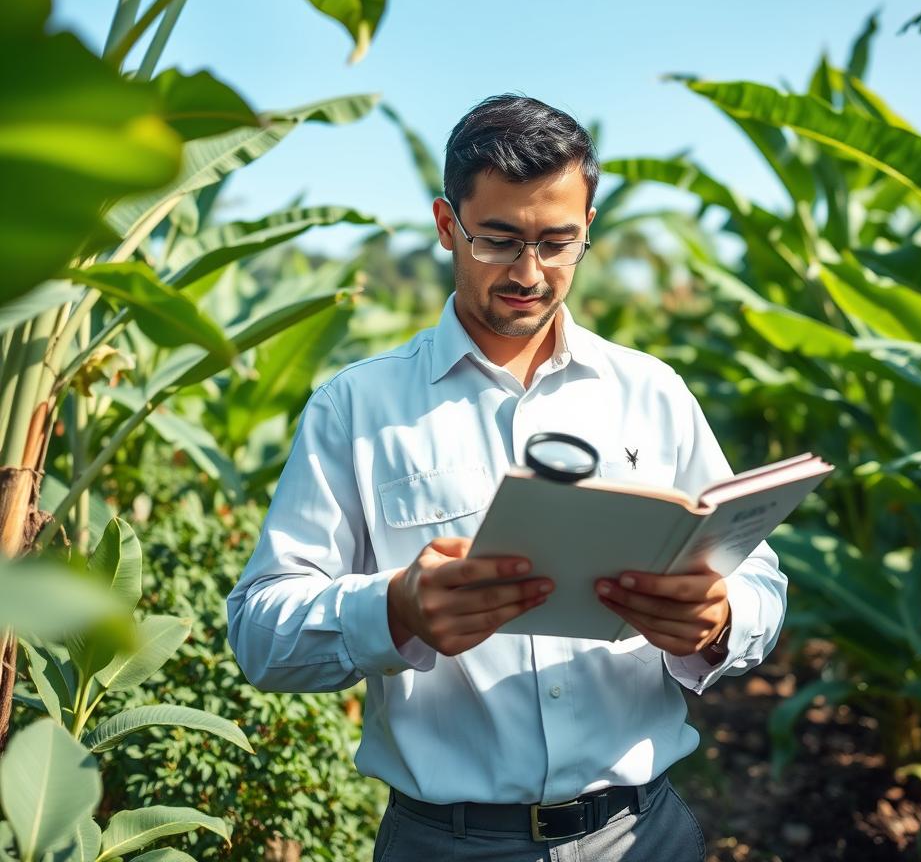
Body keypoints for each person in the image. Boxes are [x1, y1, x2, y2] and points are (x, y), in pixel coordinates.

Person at [227, 94, 787, 861]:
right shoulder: (357, 408)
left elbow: (758, 578)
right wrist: (394, 609)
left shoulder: (652, 393)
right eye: (498, 240)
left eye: (558, 243)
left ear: (588, 227)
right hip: (447, 844)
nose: (529, 272)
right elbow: (260, 633)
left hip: (643, 834)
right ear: (446, 224)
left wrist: (720, 618)